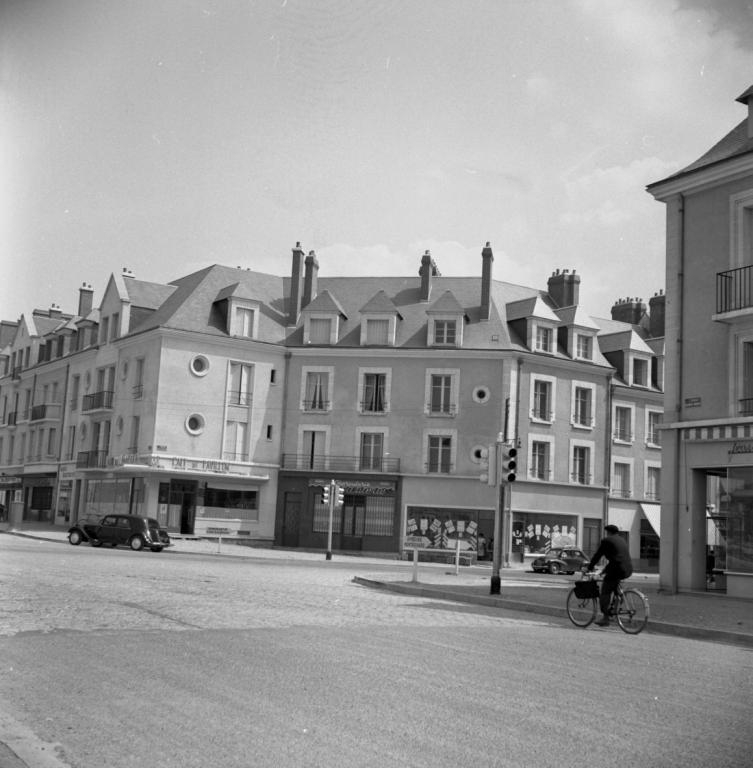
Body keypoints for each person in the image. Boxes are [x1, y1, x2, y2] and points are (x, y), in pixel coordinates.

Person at [587, 524, 633, 626]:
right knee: (615, 588)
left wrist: (590, 567)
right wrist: (604, 571)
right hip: (628, 569)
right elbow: (616, 559)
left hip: (617, 569)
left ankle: (605, 618)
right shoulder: (622, 540)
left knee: (605, 591)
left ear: (608, 532)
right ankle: (616, 606)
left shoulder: (607, 541)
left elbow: (598, 555)